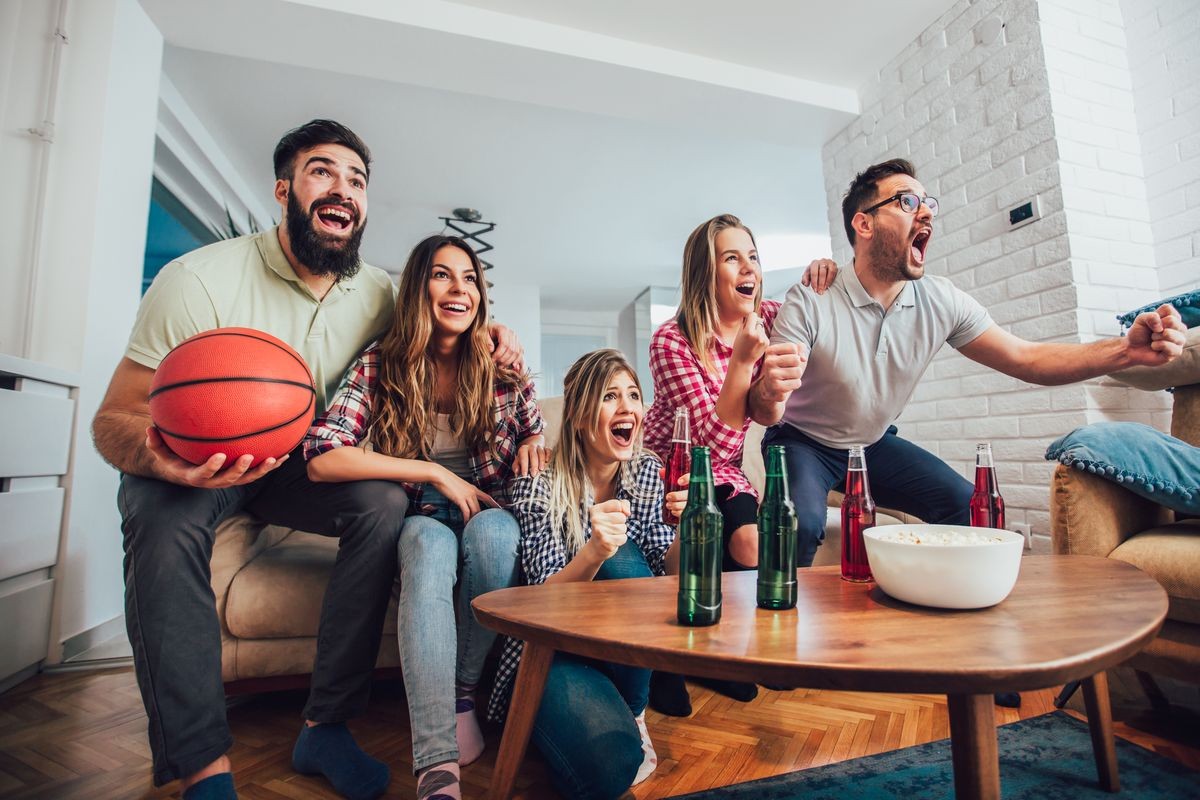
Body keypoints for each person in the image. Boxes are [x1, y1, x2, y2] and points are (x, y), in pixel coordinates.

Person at [91, 120, 521, 800]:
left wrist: (495, 335)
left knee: (382, 505)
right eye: (323, 172)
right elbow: (114, 417)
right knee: (157, 516)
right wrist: (165, 464)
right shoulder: (198, 280)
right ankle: (203, 767)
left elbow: (441, 322)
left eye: (357, 180)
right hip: (202, 461)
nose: (342, 189)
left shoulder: (379, 294)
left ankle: (325, 726)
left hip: (302, 464)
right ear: (285, 189)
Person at [750, 157, 1187, 707]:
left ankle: (975, 659)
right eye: (908, 201)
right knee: (800, 521)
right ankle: (771, 646)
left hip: (874, 442)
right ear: (863, 224)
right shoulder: (811, 297)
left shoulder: (940, 299)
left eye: (928, 201)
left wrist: (1124, 350)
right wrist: (769, 387)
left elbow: (1026, 359)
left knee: (967, 509)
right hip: (803, 441)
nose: (925, 209)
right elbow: (769, 409)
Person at [304, 234, 546, 800]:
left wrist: (535, 437)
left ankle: (464, 691)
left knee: (492, 542)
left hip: (490, 506)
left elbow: (535, 427)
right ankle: (436, 765)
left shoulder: (499, 365)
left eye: (469, 278)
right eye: (442, 275)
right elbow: (321, 454)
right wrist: (432, 471)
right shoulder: (382, 362)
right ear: (419, 288)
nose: (458, 288)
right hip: (421, 511)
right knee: (424, 548)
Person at [641, 213, 831, 715]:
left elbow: (815, 306)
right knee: (694, 535)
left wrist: (824, 275)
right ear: (705, 272)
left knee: (751, 543)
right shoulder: (671, 340)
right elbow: (708, 442)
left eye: (753, 256)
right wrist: (745, 362)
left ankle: (721, 655)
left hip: (723, 473)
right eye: (732, 257)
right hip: (672, 469)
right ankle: (666, 661)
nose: (749, 267)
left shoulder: (768, 316)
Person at [486, 349, 678, 800]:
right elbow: (540, 603)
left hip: (624, 654)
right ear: (577, 415)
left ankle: (633, 711)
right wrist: (594, 552)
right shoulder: (537, 478)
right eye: (610, 396)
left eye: (633, 394)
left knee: (628, 560)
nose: (628, 406)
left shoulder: (647, 470)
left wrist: (688, 531)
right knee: (610, 768)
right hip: (552, 650)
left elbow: (665, 575)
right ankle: (562, 721)